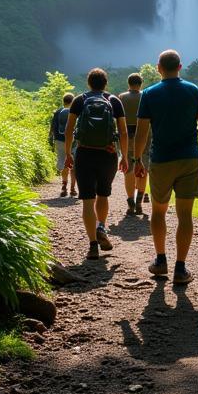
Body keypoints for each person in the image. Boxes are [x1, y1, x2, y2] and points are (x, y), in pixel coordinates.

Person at [133, 49, 198, 285]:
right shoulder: (194, 90)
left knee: (158, 212)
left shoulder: (148, 94)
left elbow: (142, 132)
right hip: (189, 159)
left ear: (159, 68)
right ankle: (181, 268)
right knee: (185, 215)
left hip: (161, 160)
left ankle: (161, 260)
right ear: (180, 67)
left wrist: (137, 159)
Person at [64, 68, 129, 260]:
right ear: (105, 83)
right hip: (107, 154)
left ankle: (92, 245)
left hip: (84, 153)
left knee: (87, 200)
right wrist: (124, 156)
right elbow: (123, 132)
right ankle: (101, 226)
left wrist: (68, 153)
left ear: (89, 82)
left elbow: (69, 129)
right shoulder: (114, 101)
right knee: (103, 193)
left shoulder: (79, 100)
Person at [119, 73, 150, 215]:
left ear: (128, 83)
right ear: (141, 83)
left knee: (129, 170)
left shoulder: (122, 97)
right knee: (143, 169)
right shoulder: (147, 96)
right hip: (145, 137)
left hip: (127, 137)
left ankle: (130, 201)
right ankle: (139, 202)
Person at [49, 92, 77, 197]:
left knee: (64, 162)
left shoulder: (57, 112)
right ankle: (73, 189)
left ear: (63, 101)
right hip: (73, 141)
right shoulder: (75, 111)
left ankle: (64, 186)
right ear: (72, 101)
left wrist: (51, 139)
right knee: (73, 164)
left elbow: (52, 127)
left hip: (59, 140)